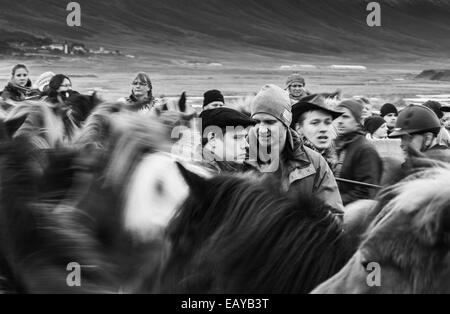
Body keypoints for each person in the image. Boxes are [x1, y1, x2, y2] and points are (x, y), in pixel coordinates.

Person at [246, 84, 343, 214]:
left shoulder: (315, 162)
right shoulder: (238, 161)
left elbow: (333, 215)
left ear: (286, 123)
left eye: (270, 122)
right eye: (256, 122)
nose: (262, 129)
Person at [334, 100, 383, 205]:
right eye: (337, 116)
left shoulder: (365, 150)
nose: (340, 121)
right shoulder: (334, 145)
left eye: (345, 117)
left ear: (358, 121)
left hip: (351, 213)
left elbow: (366, 193)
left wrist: (332, 201)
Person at [291, 94, 342, 171]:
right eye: (315, 123)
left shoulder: (335, 159)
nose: (323, 129)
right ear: (299, 129)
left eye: (327, 123)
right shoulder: (292, 164)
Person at [199, 107, 256, 172]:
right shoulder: (204, 178)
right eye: (237, 138)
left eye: (245, 137)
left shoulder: (224, 171)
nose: (246, 145)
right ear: (212, 138)